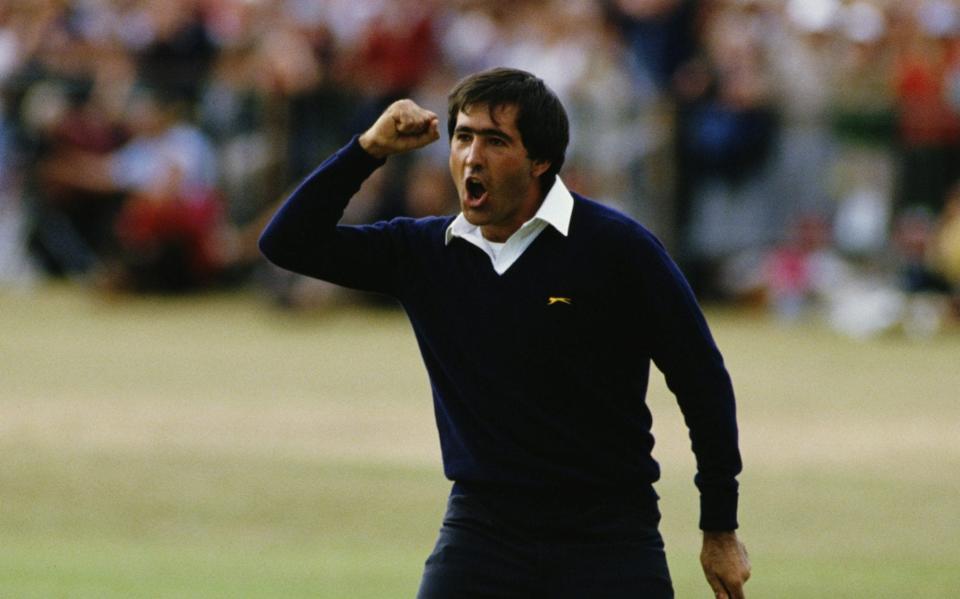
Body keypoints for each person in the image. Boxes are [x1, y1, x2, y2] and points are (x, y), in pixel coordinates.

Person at [259, 67, 750, 598]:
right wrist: (369, 148)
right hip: (481, 533)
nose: (472, 156)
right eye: (463, 137)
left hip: (609, 535)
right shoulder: (423, 253)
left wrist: (719, 526)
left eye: (495, 141)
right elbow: (286, 242)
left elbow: (702, 382)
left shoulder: (619, 249)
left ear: (540, 160)